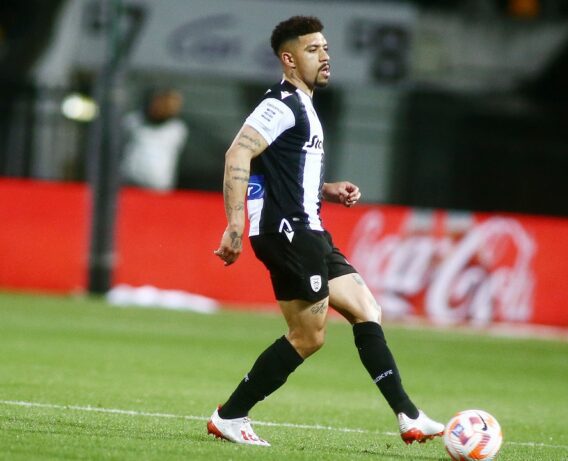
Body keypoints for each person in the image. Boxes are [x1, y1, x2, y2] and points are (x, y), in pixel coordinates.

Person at [207, 16, 444, 447]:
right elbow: (238, 153)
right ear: (289, 59)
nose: (325, 56)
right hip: (289, 233)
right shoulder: (282, 103)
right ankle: (231, 416)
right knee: (308, 337)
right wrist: (236, 224)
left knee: (366, 308)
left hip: (310, 230)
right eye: (313, 49)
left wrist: (326, 189)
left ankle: (409, 415)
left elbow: (283, 172)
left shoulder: (304, 106)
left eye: (326, 48)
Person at [120, 88, 188, 191]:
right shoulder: (132, 121)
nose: (167, 108)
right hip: (129, 185)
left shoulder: (178, 129)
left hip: (158, 188)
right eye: (164, 103)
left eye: (173, 106)